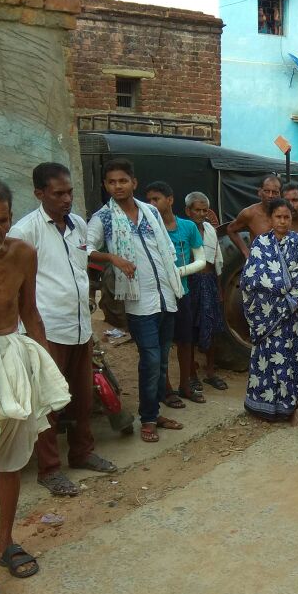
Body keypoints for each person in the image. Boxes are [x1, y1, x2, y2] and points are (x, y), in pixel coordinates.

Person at [0, 178, 70, 594]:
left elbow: (31, 312)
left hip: (12, 357)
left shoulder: (23, 254)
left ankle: (6, 543)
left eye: (1, 219)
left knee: (12, 461)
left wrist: (45, 368)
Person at [10, 163, 116, 498]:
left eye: (69, 191)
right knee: (49, 403)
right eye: (58, 193)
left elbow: (80, 272)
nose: (66, 198)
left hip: (80, 326)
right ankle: (49, 469)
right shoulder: (25, 231)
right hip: (47, 329)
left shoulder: (79, 225)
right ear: (40, 194)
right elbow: (14, 285)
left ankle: (82, 452)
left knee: (83, 397)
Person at [87, 158, 191, 444]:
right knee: (151, 358)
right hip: (138, 300)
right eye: (111, 182)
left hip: (166, 296)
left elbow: (166, 248)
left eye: (123, 180)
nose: (117, 186)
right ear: (106, 186)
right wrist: (112, 258)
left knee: (160, 361)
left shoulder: (149, 211)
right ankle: (147, 419)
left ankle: (154, 412)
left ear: (134, 182)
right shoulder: (103, 218)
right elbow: (83, 248)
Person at [240, 197, 298, 421]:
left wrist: (288, 299)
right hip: (264, 315)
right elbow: (251, 277)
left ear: (292, 219)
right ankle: (260, 406)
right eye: (278, 217)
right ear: (270, 219)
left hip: (289, 316)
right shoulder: (260, 243)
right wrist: (280, 287)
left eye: (286, 217)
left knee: (288, 359)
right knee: (265, 358)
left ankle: (286, 407)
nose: (282, 221)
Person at [144, 182, 206, 407]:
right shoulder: (148, 229)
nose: (151, 204)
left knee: (186, 341)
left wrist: (178, 272)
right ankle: (166, 389)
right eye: (148, 199)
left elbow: (200, 260)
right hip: (159, 295)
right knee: (163, 342)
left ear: (170, 200)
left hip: (183, 293)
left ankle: (185, 385)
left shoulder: (188, 227)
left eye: (156, 199)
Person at [184, 191, 227, 392]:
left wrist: (219, 288)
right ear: (188, 211)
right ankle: (191, 374)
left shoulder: (210, 230)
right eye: (197, 210)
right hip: (190, 283)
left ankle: (210, 372)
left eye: (204, 210)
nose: (201, 214)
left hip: (209, 281)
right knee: (190, 329)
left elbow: (216, 259)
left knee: (213, 326)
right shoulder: (183, 230)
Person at [226, 173, 282, 259]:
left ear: (280, 194)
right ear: (260, 192)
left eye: (275, 192)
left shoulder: (285, 215)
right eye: (267, 191)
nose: (270, 196)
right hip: (258, 264)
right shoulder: (250, 213)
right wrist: (245, 251)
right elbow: (231, 229)